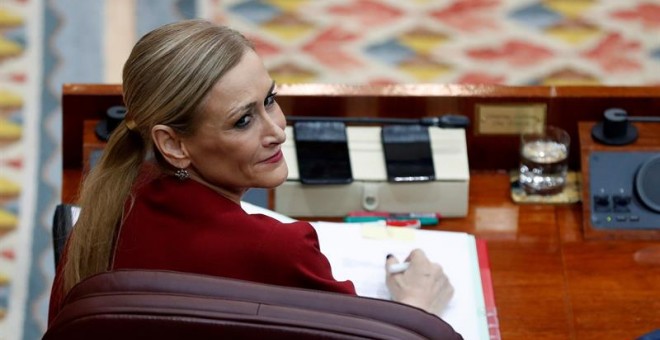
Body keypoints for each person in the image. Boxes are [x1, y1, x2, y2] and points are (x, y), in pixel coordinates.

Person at [48, 19, 454, 325]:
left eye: (270, 99)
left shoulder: (104, 211)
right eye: (243, 120)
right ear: (174, 144)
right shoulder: (279, 248)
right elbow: (367, 333)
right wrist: (416, 309)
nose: (278, 130)